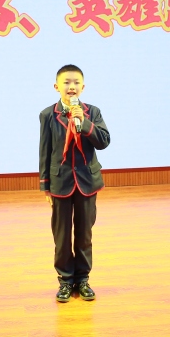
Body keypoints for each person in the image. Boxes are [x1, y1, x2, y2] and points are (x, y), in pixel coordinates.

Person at [39, 64, 110, 303]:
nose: (71, 87)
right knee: (61, 236)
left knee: (84, 234)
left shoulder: (92, 112)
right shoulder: (48, 115)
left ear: (83, 87)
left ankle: (83, 279)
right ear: (56, 86)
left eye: (76, 82)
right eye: (66, 82)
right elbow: (45, 151)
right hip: (60, 182)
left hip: (87, 181)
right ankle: (65, 281)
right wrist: (45, 185)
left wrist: (85, 123)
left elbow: (104, 141)